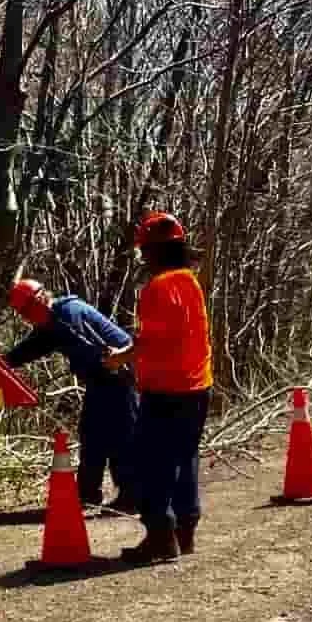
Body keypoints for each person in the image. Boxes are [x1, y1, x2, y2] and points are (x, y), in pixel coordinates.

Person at [101, 211, 211, 562]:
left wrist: (120, 358)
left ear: (155, 252)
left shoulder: (157, 288)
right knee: (185, 457)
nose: (142, 257)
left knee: (151, 463)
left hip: (166, 389)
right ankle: (184, 532)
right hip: (198, 386)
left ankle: (160, 536)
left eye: (145, 251)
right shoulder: (190, 281)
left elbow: (152, 341)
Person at [4, 279, 137, 509]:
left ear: (40, 301)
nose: (26, 318)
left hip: (119, 376)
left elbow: (93, 351)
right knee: (92, 434)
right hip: (102, 379)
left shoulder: (67, 316)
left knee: (121, 437)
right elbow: (31, 347)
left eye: (26, 311)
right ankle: (87, 495)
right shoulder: (53, 321)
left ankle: (132, 496)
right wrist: (2, 363)